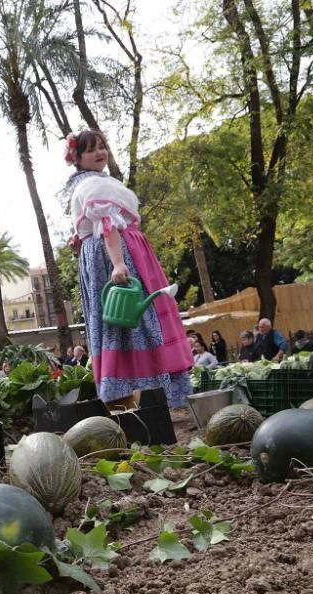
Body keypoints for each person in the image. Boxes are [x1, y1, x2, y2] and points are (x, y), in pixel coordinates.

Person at [64, 129, 191, 408]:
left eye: (102, 146)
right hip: (117, 255)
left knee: (124, 321)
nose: (99, 153)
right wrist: (118, 263)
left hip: (115, 252)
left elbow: (91, 226)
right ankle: (143, 392)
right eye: (91, 150)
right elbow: (107, 227)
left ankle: (129, 394)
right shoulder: (93, 186)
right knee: (130, 318)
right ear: (78, 158)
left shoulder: (93, 183)